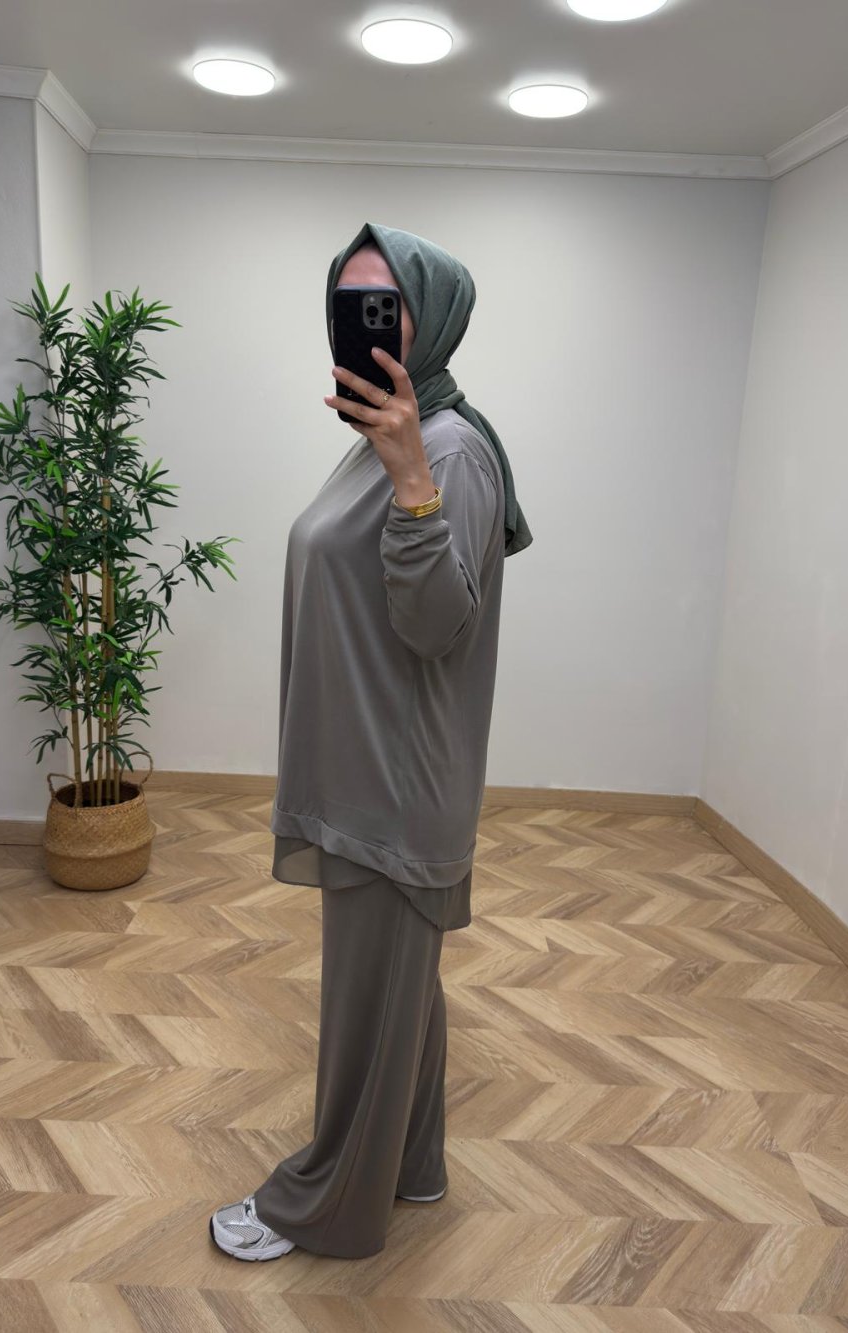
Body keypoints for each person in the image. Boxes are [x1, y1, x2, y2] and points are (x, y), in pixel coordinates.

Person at [209, 221, 532, 1262]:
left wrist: (412, 483)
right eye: (346, 305)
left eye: (382, 307)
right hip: (367, 765)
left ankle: (327, 1208)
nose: (360, 325)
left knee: (366, 1007)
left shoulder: (450, 450)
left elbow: (437, 625)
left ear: (427, 320)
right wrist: (394, 460)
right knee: (400, 997)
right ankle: (411, 1164)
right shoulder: (389, 436)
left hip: (393, 784)